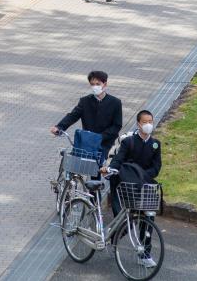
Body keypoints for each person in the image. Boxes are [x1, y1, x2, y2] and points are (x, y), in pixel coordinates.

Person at [101, 109, 161, 268]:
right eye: (144, 122)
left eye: (150, 122)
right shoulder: (129, 142)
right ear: (138, 124)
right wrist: (110, 169)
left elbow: (156, 168)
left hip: (143, 185)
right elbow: (118, 160)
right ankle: (111, 238)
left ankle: (145, 254)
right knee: (124, 222)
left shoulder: (155, 144)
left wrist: (141, 176)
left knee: (148, 217)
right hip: (123, 185)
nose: (148, 125)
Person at [51, 71, 123, 161]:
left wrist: (101, 137)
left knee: (101, 166)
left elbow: (117, 125)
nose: (95, 87)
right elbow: (73, 116)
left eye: (98, 84)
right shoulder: (85, 101)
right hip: (87, 142)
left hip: (105, 143)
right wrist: (59, 127)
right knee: (78, 164)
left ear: (105, 84)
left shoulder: (115, 102)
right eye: (92, 84)